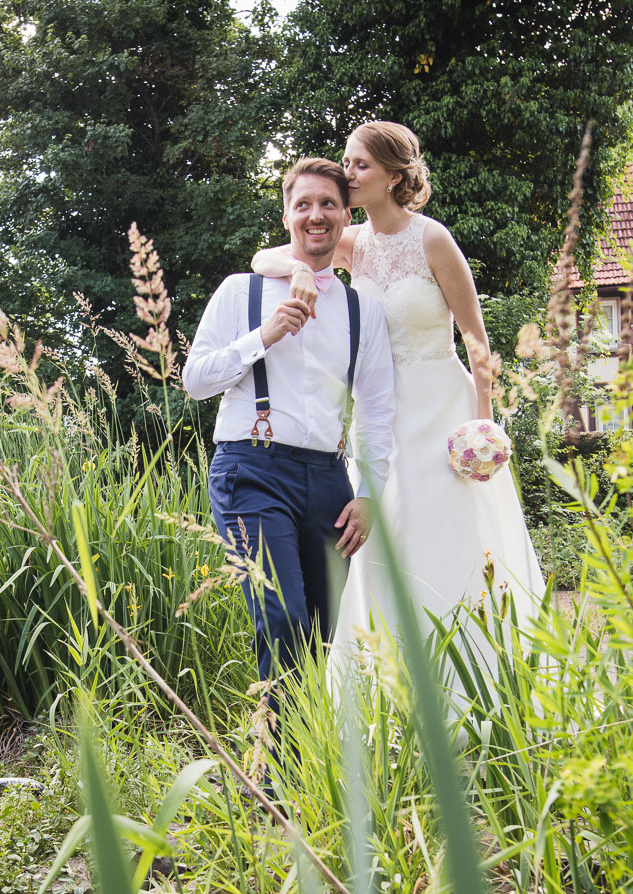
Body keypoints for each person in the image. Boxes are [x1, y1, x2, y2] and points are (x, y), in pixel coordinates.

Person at [251, 120, 545, 690]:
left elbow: (476, 339)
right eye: (346, 161)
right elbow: (265, 257)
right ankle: (397, 686)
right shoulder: (352, 242)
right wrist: (300, 269)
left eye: (359, 164)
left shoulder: (432, 239)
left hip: (442, 408)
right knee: (387, 540)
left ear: (391, 175)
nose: (348, 172)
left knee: (448, 534)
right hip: (380, 411)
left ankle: (478, 681)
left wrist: (482, 426)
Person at [184, 156, 397, 725]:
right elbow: (195, 379)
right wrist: (264, 335)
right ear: (286, 216)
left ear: (346, 216)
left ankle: (303, 758)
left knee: (322, 632)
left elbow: (377, 409)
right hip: (250, 470)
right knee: (282, 618)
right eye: (303, 204)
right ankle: (275, 771)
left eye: (328, 204)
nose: (315, 215)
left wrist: (369, 491)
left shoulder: (362, 310)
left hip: (329, 482)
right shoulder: (241, 292)